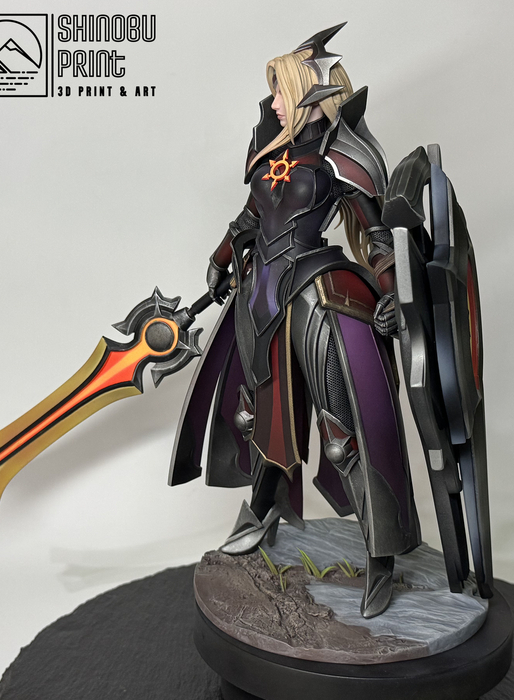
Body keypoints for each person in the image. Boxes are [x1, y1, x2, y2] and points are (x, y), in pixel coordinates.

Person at [169, 24, 420, 619]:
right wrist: (221, 260)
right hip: (260, 296)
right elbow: (249, 218)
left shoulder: (339, 155)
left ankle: (381, 554)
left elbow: (376, 236)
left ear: (306, 90)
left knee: (342, 429)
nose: (273, 101)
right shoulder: (269, 154)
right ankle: (264, 512)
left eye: (280, 89)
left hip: (316, 293)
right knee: (259, 415)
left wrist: (393, 293)